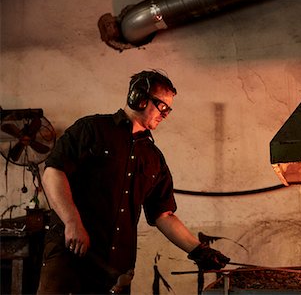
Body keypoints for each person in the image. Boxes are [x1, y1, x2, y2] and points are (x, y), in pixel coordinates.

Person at [37, 70, 230, 294]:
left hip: (114, 270)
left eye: (169, 109)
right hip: (71, 258)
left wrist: (199, 250)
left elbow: (163, 214)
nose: (165, 115)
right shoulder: (91, 130)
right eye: (162, 106)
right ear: (139, 98)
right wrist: (72, 222)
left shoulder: (153, 158)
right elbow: (53, 172)